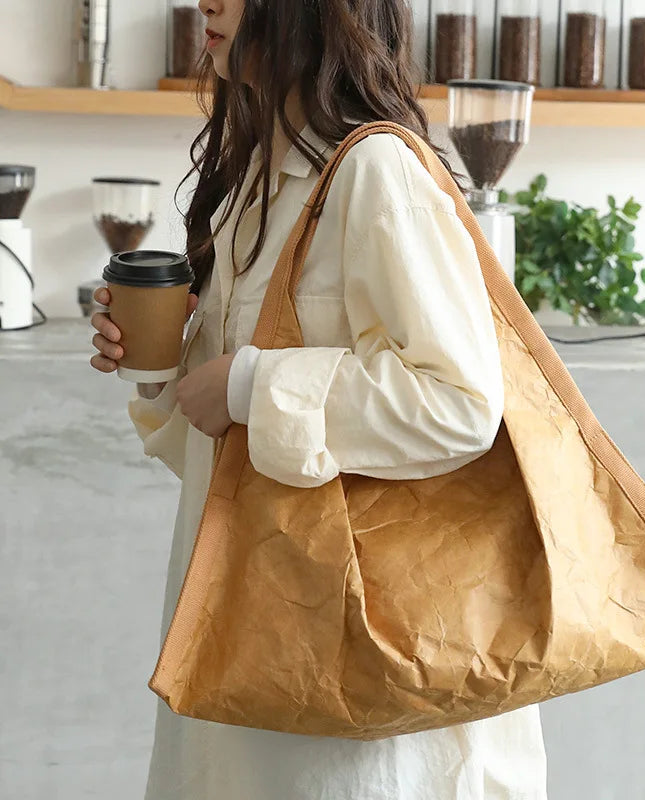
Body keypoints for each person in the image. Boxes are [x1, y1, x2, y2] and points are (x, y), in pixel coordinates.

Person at [90, 0, 548, 797]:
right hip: (260, 634)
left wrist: (248, 384)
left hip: (354, 678)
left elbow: (458, 403)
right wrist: (162, 371)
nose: (206, 2)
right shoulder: (258, 185)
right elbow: (238, 449)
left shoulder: (377, 171)